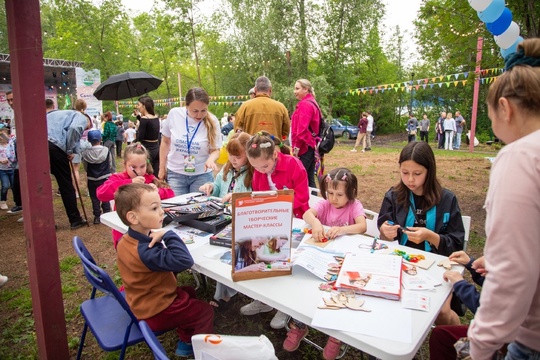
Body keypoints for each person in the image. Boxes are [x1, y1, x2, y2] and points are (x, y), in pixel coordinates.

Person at [468, 39, 540, 360]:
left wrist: (480, 347)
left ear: (505, 108)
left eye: (491, 118)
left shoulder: (520, 156)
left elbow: (514, 274)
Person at [114, 183, 214, 357]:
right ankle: (195, 347)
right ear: (133, 217)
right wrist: (168, 234)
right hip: (155, 311)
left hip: (141, 301)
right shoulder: (147, 251)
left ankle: (186, 333)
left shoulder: (127, 239)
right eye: (154, 208)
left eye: (161, 205)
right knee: (205, 312)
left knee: (188, 292)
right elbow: (184, 261)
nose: (162, 211)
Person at [377, 141, 465, 325]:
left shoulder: (446, 199)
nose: (410, 180)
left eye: (417, 174)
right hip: (399, 263)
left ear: (429, 171)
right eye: (404, 173)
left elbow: (456, 244)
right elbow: (384, 225)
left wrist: (430, 236)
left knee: (442, 312)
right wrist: (385, 230)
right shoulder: (394, 195)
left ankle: (457, 342)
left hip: (437, 267)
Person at [284, 168, 367, 359]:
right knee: (304, 286)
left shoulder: (354, 205)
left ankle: (335, 335)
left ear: (351, 193)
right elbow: (307, 214)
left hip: (343, 261)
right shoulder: (324, 204)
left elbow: (362, 226)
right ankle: (299, 324)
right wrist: (316, 223)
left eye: (339, 194)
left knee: (339, 291)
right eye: (330, 193)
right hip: (319, 257)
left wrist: (343, 230)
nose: (334, 198)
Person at [240, 131, 309, 329]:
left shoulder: (294, 165)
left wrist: (277, 207)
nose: (261, 171)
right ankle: (263, 300)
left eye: (264, 166)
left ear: (275, 155)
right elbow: (257, 195)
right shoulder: (259, 171)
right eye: (255, 168)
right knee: (261, 257)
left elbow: (302, 198)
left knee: (285, 262)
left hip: (295, 221)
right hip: (269, 221)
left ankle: (284, 307)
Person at [97, 143, 175, 248]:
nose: (138, 171)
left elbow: (171, 194)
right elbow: (101, 193)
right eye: (133, 167)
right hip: (124, 231)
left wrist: (158, 192)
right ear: (125, 165)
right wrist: (129, 182)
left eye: (142, 166)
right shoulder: (119, 179)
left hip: (148, 231)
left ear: (147, 164)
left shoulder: (149, 178)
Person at [159, 87, 221, 195]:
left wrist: (211, 159)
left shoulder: (213, 120)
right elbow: (165, 142)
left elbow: (216, 150)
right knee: (176, 208)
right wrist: (161, 168)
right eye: (195, 111)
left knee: (199, 208)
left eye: (203, 110)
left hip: (201, 175)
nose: (199, 115)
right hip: (176, 173)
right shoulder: (174, 114)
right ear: (186, 106)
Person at [429, 251, 485, 360]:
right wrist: (470, 263)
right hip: (498, 333)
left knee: (441, 336)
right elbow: (495, 283)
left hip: (502, 343)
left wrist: (460, 284)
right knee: (441, 334)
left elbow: (487, 310)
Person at [47, 110, 92, 229]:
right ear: (87, 119)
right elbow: (75, 128)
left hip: (40, 143)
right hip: (54, 145)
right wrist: (69, 150)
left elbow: (73, 134)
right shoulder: (80, 117)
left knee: (42, 184)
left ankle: (46, 221)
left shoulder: (57, 114)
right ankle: (75, 219)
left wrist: (71, 149)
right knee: (65, 184)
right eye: (87, 127)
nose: (84, 130)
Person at [199, 132, 253, 203]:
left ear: (248, 155)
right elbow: (217, 185)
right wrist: (211, 188)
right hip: (224, 211)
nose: (233, 160)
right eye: (230, 155)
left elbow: (256, 197)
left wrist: (237, 197)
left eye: (238, 157)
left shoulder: (253, 173)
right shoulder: (226, 167)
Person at [290, 79, 321, 187]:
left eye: (297, 88)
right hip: (310, 146)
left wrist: (296, 148)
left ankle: (305, 202)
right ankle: (314, 203)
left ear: (306, 89)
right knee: (308, 178)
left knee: (298, 178)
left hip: (305, 147)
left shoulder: (305, 105)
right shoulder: (312, 102)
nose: (295, 91)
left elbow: (302, 130)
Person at [81, 130, 112, 225]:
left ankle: (97, 216)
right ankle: (107, 213)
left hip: (92, 179)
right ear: (100, 139)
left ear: (89, 140)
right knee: (105, 196)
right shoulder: (106, 150)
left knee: (94, 198)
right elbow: (110, 163)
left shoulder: (86, 153)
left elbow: (85, 166)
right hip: (105, 177)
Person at [4, 91, 22, 216]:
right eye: (8, 100)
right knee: (17, 183)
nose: (11, 103)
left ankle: (22, 207)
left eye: (12, 99)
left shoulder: (23, 112)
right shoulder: (15, 115)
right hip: (16, 153)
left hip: (25, 155)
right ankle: (22, 207)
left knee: (19, 182)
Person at [135, 96, 160, 173]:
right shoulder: (155, 117)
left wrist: (134, 141)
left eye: (139, 105)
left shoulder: (144, 119)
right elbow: (150, 126)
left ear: (144, 106)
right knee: (155, 170)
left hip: (147, 148)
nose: (138, 107)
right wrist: (139, 117)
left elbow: (140, 137)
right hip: (156, 147)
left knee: (147, 171)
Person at [0, 127, 14, 210]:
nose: (2, 137)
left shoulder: (10, 145)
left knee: (13, 186)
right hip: (2, 170)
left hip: (11, 169)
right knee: (5, 186)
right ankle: (3, 201)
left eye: (4, 135)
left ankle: (18, 202)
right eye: (1, 135)